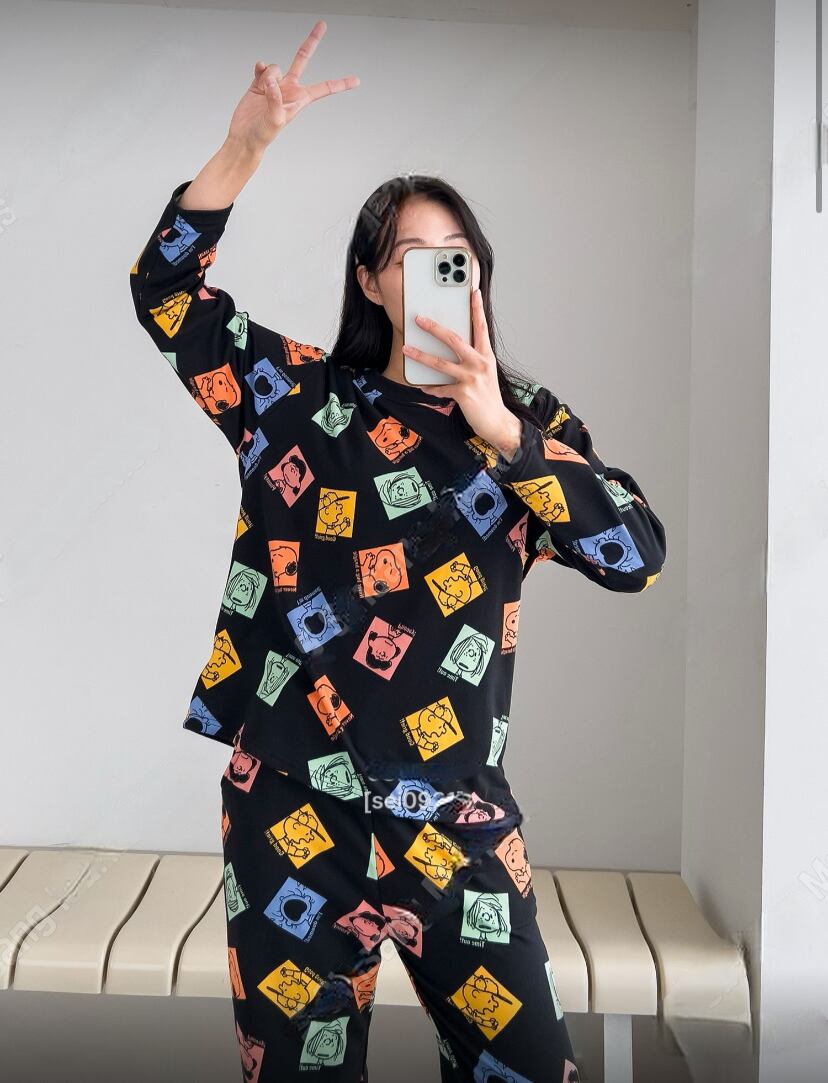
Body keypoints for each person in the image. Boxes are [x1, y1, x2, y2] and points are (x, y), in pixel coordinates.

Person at [129, 19, 666, 1083]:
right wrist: (244, 147)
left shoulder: (525, 425)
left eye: (457, 261)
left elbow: (634, 553)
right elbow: (167, 296)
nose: (442, 280)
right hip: (292, 798)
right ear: (371, 281)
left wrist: (501, 428)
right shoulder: (294, 400)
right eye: (415, 261)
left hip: (453, 813)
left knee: (525, 1067)